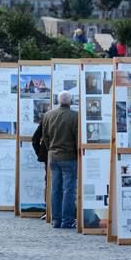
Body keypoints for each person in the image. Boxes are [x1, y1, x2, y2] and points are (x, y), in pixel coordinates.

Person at [41, 91, 79, 229]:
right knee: (68, 189)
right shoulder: (75, 116)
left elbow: (45, 137)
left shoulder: (48, 115)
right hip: (69, 157)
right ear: (71, 101)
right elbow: (77, 138)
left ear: (58, 101)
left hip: (53, 156)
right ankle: (67, 220)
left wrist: (51, 148)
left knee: (55, 189)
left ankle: (56, 220)